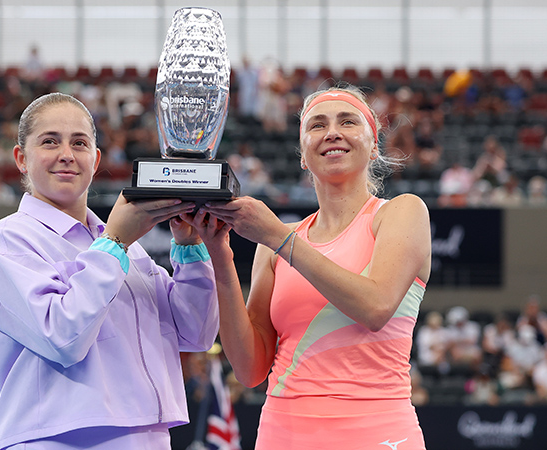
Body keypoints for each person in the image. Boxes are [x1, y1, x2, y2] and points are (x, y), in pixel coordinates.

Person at [182, 86, 431, 449]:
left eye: (347, 121)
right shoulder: (277, 244)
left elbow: (375, 306)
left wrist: (278, 238)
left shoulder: (402, 212)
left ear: (374, 144)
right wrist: (220, 253)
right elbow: (250, 369)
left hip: (378, 432)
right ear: (303, 156)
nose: (332, 132)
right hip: (283, 432)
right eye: (317, 125)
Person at [0, 92, 219, 450]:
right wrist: (115, 242)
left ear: (95, 158)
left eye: (79, 143)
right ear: (21, 159)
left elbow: (196, 333)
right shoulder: (10, 239)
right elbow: (63, 336)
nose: (67, 154)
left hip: (148, 434)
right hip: (59, 439)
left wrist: (189, 246)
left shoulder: (125, 246)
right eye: (50, 141)